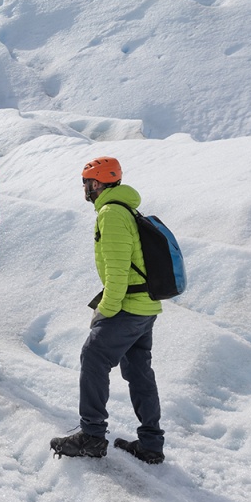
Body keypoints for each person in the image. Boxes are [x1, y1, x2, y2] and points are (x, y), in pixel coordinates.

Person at [50, 157, 165, 465]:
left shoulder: (111, 214)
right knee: (139, 372)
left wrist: (104, 311)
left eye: (86, 183)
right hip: (144, 307)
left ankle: (91, 436)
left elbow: (117, 273)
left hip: (128, 307)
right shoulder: (125, 209)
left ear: (96, 183)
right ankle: (151, 444)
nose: (84, 189)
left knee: (93, 356)